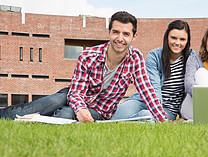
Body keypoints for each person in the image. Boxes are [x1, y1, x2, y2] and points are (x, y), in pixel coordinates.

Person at [0, 11, 167, 123]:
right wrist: (79, 108)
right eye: (116, 32)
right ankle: (5, 116)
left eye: (126, 34)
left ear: (134, 36)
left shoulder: (136, 58)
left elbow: (147, 91)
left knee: (66, 114)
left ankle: (37, 122)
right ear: (109, 32)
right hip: (75, 96)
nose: (120, 38)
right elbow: (76, 92)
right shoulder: (88, 56)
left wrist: (162, 119)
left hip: (100, 110)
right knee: (54, 100)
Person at [112, 20, 194, 121]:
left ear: (187, 41)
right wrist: (156, 110)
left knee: (147, 116)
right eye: (173, 38)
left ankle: (138, 119)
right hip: (144, 101)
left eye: (182, 39)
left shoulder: (191, 58)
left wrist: (184, 117)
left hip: (168, 109)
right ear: (167, 37)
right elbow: (155, 87)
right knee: (116, 113)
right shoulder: (154, 56)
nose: (177, 42)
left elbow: (189, 90)